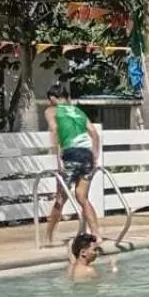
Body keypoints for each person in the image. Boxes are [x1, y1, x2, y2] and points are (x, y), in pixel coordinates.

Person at [44, 85, 101, 247]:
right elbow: (94, 134)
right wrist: (95, 156)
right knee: (82, 197)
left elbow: (54, 131)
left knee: (60, 199)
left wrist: (57, 160)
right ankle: (97, 234)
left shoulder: (52, 111)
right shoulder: (78, 111)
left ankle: (48, 237)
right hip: (87, 156)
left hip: (71, 155)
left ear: (53, 98)